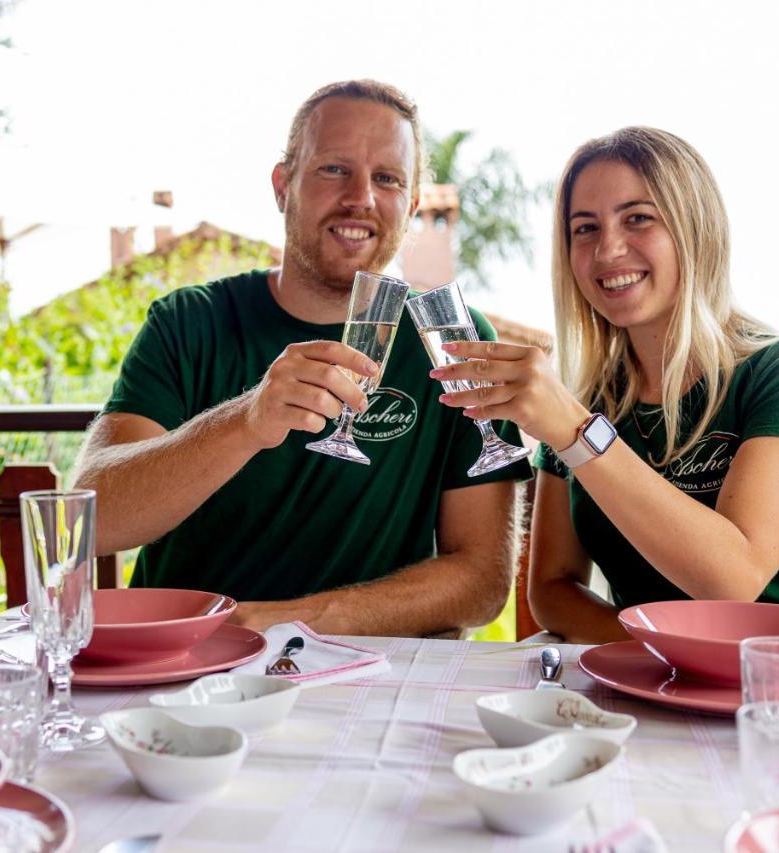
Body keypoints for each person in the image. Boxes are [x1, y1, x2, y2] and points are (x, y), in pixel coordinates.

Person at [72, 80, 531, 637]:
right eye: (334, 169)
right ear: (283, 184)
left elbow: (482, 581)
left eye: (386, 178)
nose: (360, 197)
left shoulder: (451, 341)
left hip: (367, 679)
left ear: (409, 206)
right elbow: (90, 519)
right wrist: (246, 421)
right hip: (187, 671)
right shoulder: (189, 322)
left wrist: (283, 622)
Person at [431, 126, 779, 642]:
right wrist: (665, 656)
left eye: (638, 219)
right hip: (668, 689)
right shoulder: (582, 399)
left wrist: (578, 433)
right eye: (585, 228)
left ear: (695, 227)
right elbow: (553, 590)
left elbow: (734, 578)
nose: (607, 250)